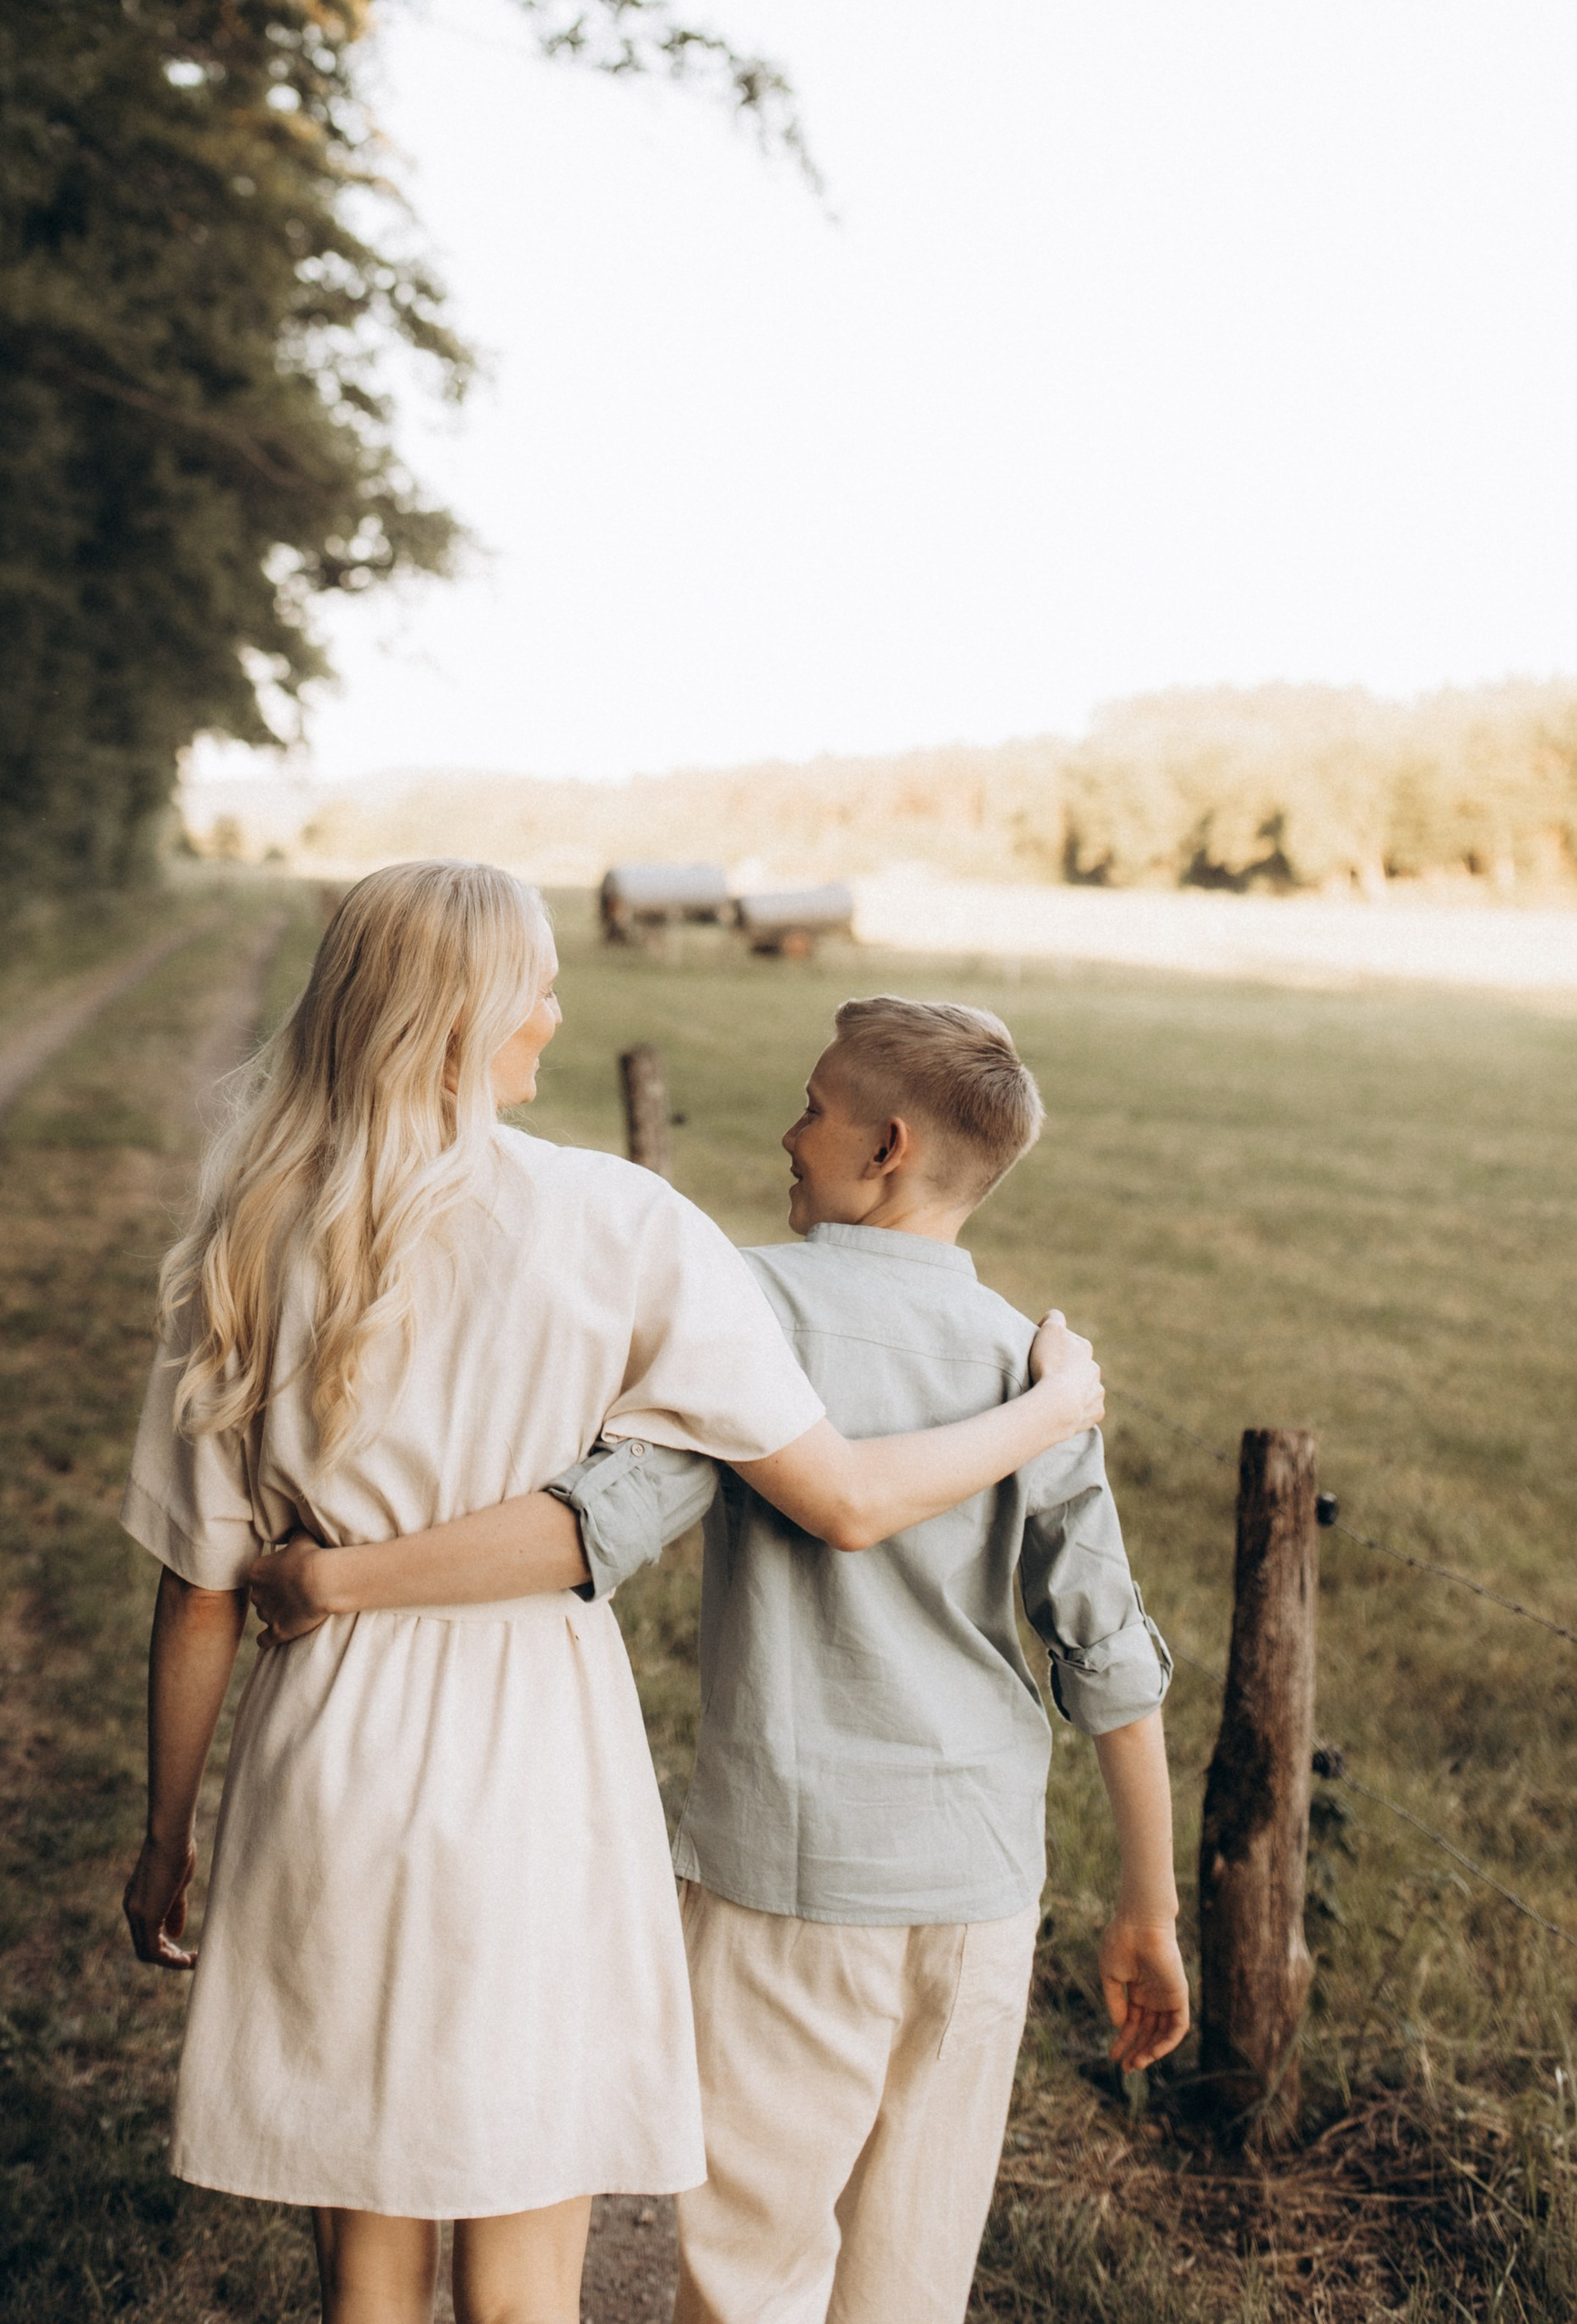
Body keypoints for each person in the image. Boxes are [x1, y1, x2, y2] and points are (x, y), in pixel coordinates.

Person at [120, 873, 1109, 2324]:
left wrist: (167, 1832)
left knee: (369, 2268)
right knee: (524, 2277)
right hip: (535, 1762)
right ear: (461, 1022)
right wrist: (1052, 1408)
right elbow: (841, 1499)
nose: (558, 1011)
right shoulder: (623, 1222)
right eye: (536, 983)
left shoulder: (254, 1235)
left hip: (328, 1749)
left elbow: (200, 1589)